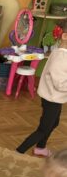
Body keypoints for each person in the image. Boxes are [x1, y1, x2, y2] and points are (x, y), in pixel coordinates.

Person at [16, 19, 67, 156]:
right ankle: (18, 152)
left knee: (54, 123)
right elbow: (60, 83)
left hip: (54, 97)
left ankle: (41, 147)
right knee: (43, 129)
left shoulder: (61, 53)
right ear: (64, 36)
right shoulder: (61, 57)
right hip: (52, 98)